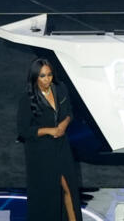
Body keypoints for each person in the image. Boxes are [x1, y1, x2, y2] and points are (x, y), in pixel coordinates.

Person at [17, 58, 83, 221]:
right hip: (41, 152)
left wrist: (64, 124)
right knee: (47, 194)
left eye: (49, 75)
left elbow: (69, 112)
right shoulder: (27, 99)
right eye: (42, 76)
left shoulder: (60, 88)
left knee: (69, 187)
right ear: (35, 77)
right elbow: (24, 130)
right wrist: (49, 130)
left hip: (61, 146)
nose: (47, 79)